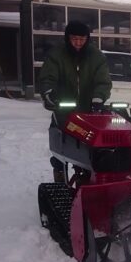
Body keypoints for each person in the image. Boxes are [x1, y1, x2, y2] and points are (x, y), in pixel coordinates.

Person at [38, 20, 111, 183]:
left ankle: (85, 182)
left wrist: (98, 98)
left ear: (87, 39)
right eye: (74, 39)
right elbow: (48, 78)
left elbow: (103, 81)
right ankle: (60, 179)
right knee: (60, 148)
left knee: (89, 151)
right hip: (64, 111)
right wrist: (49, 94)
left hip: (88, 114)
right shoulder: (57, 55)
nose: (78, 43)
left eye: (82, 39)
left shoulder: (96, 56)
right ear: (67, 38)